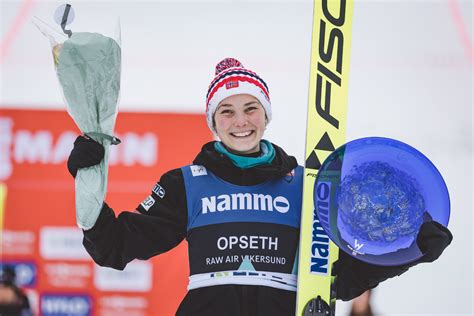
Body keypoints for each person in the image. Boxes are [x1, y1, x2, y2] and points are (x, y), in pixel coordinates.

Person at [67, 58, 453, 316]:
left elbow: (340, 278)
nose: (241, 122)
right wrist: (87, 180)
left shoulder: (308, 186)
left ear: (266, 115)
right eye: (227, 110)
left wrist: (409, 249)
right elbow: (115, 247)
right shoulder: (186, 184)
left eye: (251, 108)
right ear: (213, 121)